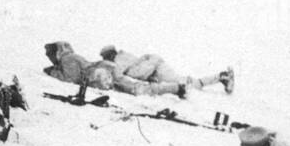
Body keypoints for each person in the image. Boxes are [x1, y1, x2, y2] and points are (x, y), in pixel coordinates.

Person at [44, 41, 205, 99]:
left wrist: (52, 72)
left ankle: (175, 87)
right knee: (137, 88)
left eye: (50, 55)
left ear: (57, 52)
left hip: (99, 75)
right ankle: (175, 88)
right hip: (106, 70)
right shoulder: (72, 57)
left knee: (136, 90)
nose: (50, 58)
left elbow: (70, 78)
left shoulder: (67, 58)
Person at [100, 44, 235, 95]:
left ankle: (222, 77)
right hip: (155, 66)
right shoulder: (124, 56)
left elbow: (137, 73)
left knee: (187, 84)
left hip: (156, 68)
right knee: (185, 81)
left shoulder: (119, 61)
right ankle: (220, 77)